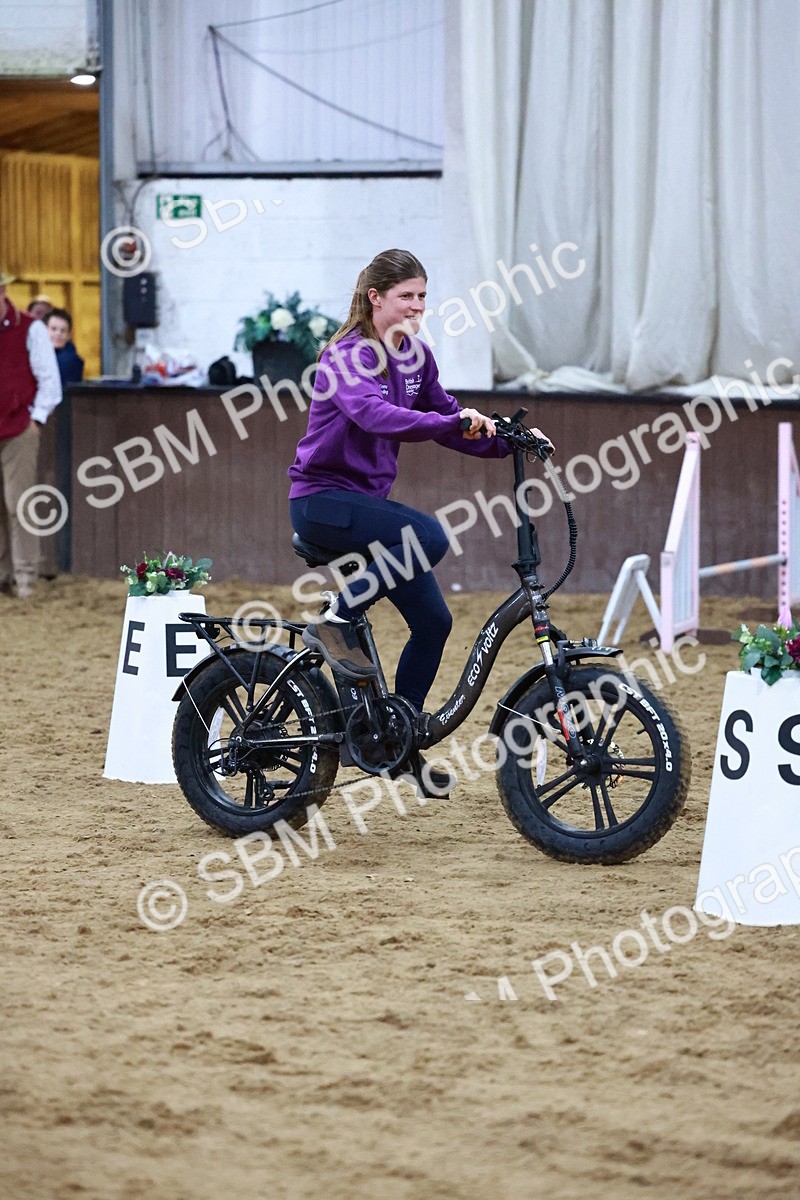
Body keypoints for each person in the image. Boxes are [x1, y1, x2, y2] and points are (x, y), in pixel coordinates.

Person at [288, 248, 551, 718]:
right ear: (375, 298)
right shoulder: (347, 356)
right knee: (429, 536)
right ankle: (335, 621)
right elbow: (376, 416)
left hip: (363, 507)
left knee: (434, 622)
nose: (416, 306)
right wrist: (449, 423)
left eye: (423, 296)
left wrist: (509, 439)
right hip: (322, 502)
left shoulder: (416, 356)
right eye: (405, 295)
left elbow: (450, 419)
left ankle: (398, 729)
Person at [0, 270, 62, 598]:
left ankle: (25, 577)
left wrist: (35, 418)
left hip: (18, 428)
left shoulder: (30, 328)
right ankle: (3, 574)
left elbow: (49, 379)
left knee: (19, 503)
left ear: (3, 292)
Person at [46, 308, 84, 386]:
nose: (58, 334)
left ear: (68, 336)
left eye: (63, 331)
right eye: (53, 329)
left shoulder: (71, 360)